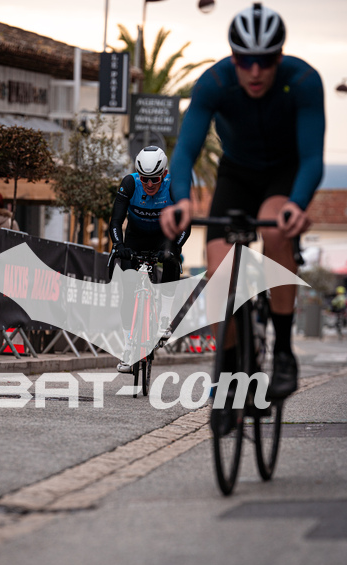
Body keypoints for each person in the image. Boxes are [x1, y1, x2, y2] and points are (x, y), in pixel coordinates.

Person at [161, 2, 325, 399]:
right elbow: (185, 152)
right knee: (220, 273)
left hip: (283, 174)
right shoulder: (214, 83)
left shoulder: (303, 81)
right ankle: (229, 364)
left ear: (279, 57)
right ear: (233, 57)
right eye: (244, 61)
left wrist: (297, 204)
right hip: (236, 175)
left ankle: (283, 350)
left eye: (265, 61)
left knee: (277, 232)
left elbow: (312, 159)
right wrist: (181, 200)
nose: (255, 71)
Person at [110, 146, 189, 373]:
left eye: (155, 178)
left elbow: (186, 223)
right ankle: (128, 348)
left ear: (164, 174)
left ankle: (164, 318)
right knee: (128, 288)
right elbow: (116, 221)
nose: (150, 184)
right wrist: (119, 246)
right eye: (145, 178)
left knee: (171, 259)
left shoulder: (172, 185)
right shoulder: (130, 183)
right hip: (135, 238)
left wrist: (175, 248)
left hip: (164, 237)